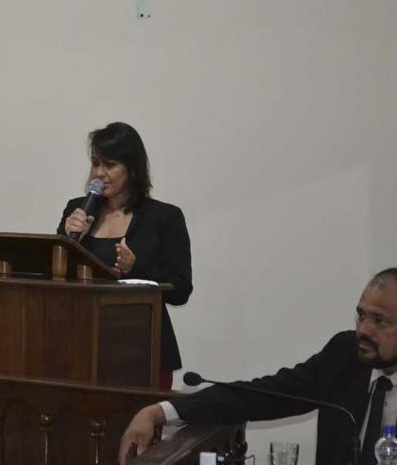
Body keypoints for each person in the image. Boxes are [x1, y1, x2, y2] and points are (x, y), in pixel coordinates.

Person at [117, 269, 397, 465]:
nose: (364, 330)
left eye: (379, 321)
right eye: (361, 316)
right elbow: (262, 396)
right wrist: (160, 412)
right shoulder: (344, 356)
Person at [57, 122, 192, 390]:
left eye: (109, 165)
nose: (99, 173)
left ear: (132, 168)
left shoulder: (164, 217)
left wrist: (137, 268)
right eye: (95, 163)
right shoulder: (77, 210)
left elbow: (181, 290)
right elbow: (55, 277)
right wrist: (68, 242)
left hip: (144, 350)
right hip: (82, 348)